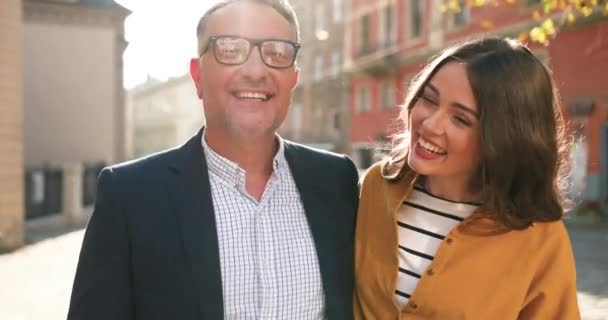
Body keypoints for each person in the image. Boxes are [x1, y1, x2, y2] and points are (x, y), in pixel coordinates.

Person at [67, 1, 359, 319]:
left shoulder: (336, 181)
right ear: (197, 76)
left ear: (293, 79)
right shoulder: (130, 196)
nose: (256, 70)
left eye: (277, 53)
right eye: (231, 49)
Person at [353, 37, 580, 319]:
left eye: (461, 119)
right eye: (429, 99)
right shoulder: (376, 187)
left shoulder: (540, 238)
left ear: (504, 138)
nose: (430, 124)